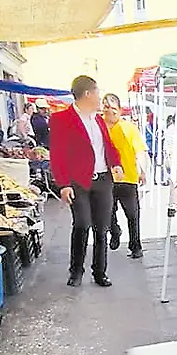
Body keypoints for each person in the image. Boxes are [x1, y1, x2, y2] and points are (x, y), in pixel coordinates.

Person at [50, 75, 123, 287]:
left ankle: (100, 272)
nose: (101, 98)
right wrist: (63, 184)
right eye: (98, 92)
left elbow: (108, 146)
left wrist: (116, 163)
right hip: (78, 182)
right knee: (82, 224)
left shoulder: (98, 119)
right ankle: (76, 270)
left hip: (103, 180)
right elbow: (57, 155)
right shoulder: (61, 119)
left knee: (101, 228)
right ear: (88, 93)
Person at [101, 93, 147, 259]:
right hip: (106, 179)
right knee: (108, 213)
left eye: (114, 108)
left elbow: (140, 150)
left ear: (120, 110)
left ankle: (136, 246)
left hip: (128, 178)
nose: (110, 112)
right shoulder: (98, 127)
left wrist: (142, 170)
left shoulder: (129, 128)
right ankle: (115, 231)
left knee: (133, 214)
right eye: (107, 108)